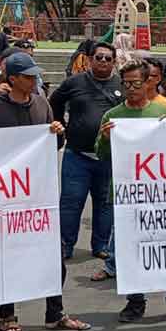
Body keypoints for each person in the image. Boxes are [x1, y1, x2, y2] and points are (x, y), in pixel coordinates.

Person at [0, 52, 91, 331]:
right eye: (28, 76)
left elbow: (54, 144)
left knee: (52, 258)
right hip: (7, 194)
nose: (34, 80)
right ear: (13, 79)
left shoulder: (42, 104)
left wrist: (57, 132)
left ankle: (55, 312)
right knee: (9, 257)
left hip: (39, 193)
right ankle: (7, 315)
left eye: (34, 76)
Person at [96, 60, 166, 326]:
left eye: (135, 83)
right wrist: (105, 139)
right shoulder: (112, 116)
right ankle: (135, 300)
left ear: (148, 81)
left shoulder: (164, 110)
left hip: (162, 194)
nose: (130, 88)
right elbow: (101, 154)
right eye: (125, 84)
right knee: (131, 250)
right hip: (127, 195)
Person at [50, 42, 122, 264]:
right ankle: (65, 245)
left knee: (105, 203)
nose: (102, 61)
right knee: (71, 202)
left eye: (107, 58)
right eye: (98, 57)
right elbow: (55, 101)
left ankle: (100, 245)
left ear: (114, 62)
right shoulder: (74, 82)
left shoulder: (122, 85)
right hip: (77, 155)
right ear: (90, 59)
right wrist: (61, 126)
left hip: (108, 157)